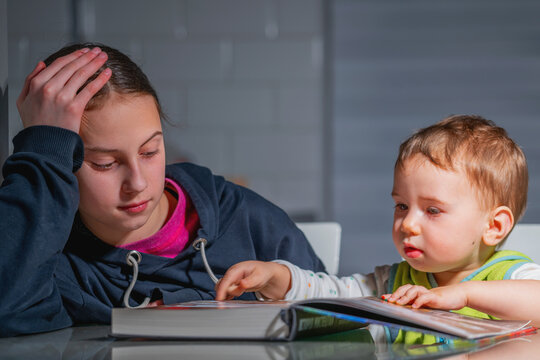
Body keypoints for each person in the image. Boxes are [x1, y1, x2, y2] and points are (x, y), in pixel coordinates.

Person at [0, 43, 325, 337]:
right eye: (104, 164)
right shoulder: (49, 256)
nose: (138, 184)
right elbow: (9, 313)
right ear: (63, 165)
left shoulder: (243, 217)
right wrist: (42, 152)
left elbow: (335, 311)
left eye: (150, 152)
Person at [215, 115, 540, 327]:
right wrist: (276, 277)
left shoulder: (514, 275)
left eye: (433, 210)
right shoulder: (391, 283)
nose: (408, 224)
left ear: (494, 226)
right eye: (401, 206)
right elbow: (330, 293)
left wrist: (465, 296)